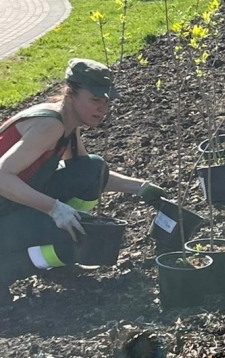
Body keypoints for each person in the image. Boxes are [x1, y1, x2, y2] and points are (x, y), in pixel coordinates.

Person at [0, 58, 165, 306]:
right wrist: (55, 209)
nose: (102, 108)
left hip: (14, 203)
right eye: (95, 100)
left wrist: (140, 187)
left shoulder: (68, 124)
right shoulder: (49, 125)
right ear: (71, 93)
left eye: (107, 101)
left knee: (92, 168)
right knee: (71, 241)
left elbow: (91, 176)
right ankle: (10, 269)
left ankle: (56, 251)